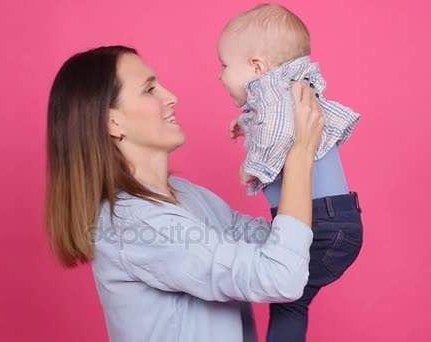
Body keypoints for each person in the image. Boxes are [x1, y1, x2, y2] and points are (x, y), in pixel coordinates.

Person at [45, 45, 324, 342]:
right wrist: (300, 153)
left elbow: (277, 245)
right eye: (150, 89)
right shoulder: (137, 223)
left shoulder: (186, 195)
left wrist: (273, 140)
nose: (171, 97)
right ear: (113, 122)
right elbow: (282, 277)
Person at [218, 4, 363, 341]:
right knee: (287, 298)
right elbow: (274, 124)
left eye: (224, 66)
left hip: (325, 226)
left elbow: (280, 135)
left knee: (289, 298)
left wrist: (250, 167)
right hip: (328, 221)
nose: (219, 75)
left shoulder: (279, 95)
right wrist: (245, 123)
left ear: (257, 66)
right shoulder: (282, 92)